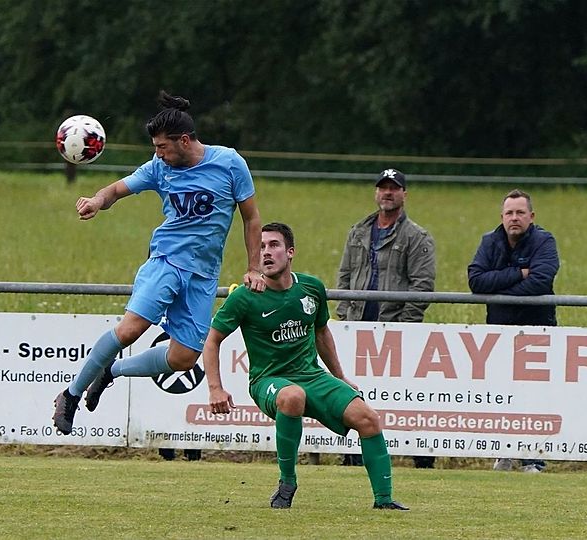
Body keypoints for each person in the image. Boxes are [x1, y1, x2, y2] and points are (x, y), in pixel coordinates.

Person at [52, 90, 266, 434]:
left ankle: (111, 371)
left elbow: (252, 219)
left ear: (184, 140)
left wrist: (254, 267)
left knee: (183, 358)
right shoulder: (158, 168)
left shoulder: (230, 164)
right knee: (130, 329)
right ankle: (71, 395)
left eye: (162, 147)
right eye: (155, 148)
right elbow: (116, 190)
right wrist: (96, 200)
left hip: (203, 276)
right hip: (165, 261)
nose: (158, 154)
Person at [204, 222, 409, 510]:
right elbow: (212, 341)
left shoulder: (311, 288)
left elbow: (322, 332)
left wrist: (340, 377)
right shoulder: (245, 297)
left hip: (313, 377)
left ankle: (384, 501)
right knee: (292, 396)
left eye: (273, 245)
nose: (266, 252)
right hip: (269, 380)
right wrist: (215, 388)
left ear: (290, 252)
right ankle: (287, 482)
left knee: (369, 418)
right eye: (261, 247)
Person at [336, 168, 436, 469]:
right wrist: (345, 315)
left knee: (403, 396)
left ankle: (420, 456)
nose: (388, 193)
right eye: (383, 187)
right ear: (376, 192)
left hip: (396, 330)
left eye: (394, 188)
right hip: (358, 328)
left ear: (404, 194)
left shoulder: (417, 237)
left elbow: (423, 285)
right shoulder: (358, 232)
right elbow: (344, 276)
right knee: (354, 393)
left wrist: (404, 324)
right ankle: (352, 455)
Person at [467, 189, 559, 473]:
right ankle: (504, 452)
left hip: (537, 332)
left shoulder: (545, 241)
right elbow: (475, 280)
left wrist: (500, 286)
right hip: (499, 334)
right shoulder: (489, 241)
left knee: (535, 396)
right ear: (502, 217)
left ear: (531, 217)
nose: (514, 218)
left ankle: (533, 458)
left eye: (520, 213)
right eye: (509, 213)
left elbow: (541, 282)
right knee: (500, 393)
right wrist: (519, 274)